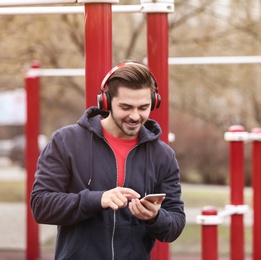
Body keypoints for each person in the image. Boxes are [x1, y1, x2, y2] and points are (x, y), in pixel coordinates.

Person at [30, 61, 186, 259]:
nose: (135, 116)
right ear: (106, 101)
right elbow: (41, 206)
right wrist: (97, 199)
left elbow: (175, 224)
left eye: (143, 107)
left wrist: (155, 217)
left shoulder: (163, 155)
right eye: (126, 107)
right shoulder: (66, 141)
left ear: (154, 102)